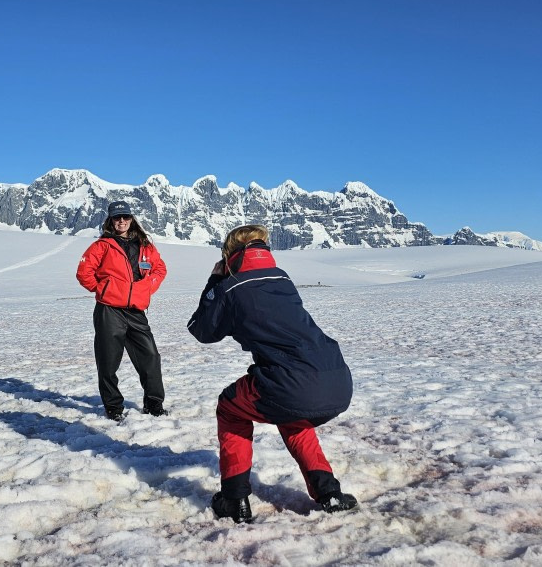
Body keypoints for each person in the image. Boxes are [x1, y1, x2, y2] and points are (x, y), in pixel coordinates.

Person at [187, 224, 359, 522]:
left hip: (288, 382)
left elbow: (201, 330)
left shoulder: (230, 288)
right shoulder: (282, 278)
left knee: (230, 409)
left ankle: (234, 498)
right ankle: (329, 492)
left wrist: (215, 282)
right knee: (292, 417)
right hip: (336, 377)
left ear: (230, 254)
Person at [76, 200, 168, 422]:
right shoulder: (102, 246)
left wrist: (146, 288)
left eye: (125, 217)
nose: (121, 221)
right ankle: (113, 407)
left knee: (150, 357)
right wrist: (104, 290)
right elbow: (83, 272)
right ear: (110, 221)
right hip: (109, 311)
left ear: (131, 219)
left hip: (136, 311)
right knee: (108, 361)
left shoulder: (145, 245)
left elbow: (160, 268)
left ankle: (154, 405)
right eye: (117, 218)